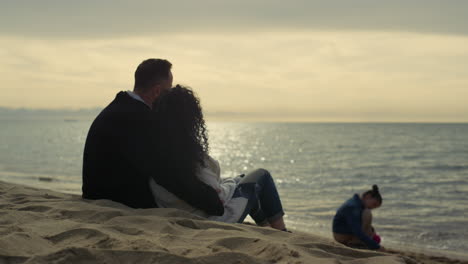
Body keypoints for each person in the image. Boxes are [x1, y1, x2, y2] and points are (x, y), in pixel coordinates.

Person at [82, 59, 224, 216]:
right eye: (168, 90)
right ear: (157, 91)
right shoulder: (137, 119)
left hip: (98, 194)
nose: (170, 97)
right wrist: (212, 202)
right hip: (116, 201)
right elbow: (168, 175)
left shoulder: (120, 108)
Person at [149, 85, 287, 231]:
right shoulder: (186, 154)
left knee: (241, 181)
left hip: (178, 214)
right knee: (261, 175)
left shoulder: (156, 151)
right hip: (212, 220)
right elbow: (217, 198)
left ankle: (266, 228)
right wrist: (231, 186)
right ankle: (282, 231)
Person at [332, 185, 384, 250]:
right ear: (368, 197)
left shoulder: (357, 203)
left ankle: (362, 241)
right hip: (341, 236)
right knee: (367, 213)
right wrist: (376, 246)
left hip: (345, 232)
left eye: (375, 207)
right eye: (374, 204)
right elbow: (357, 231)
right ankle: (355, 243)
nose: (373, 208)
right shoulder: (353, 206)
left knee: (367, 214)